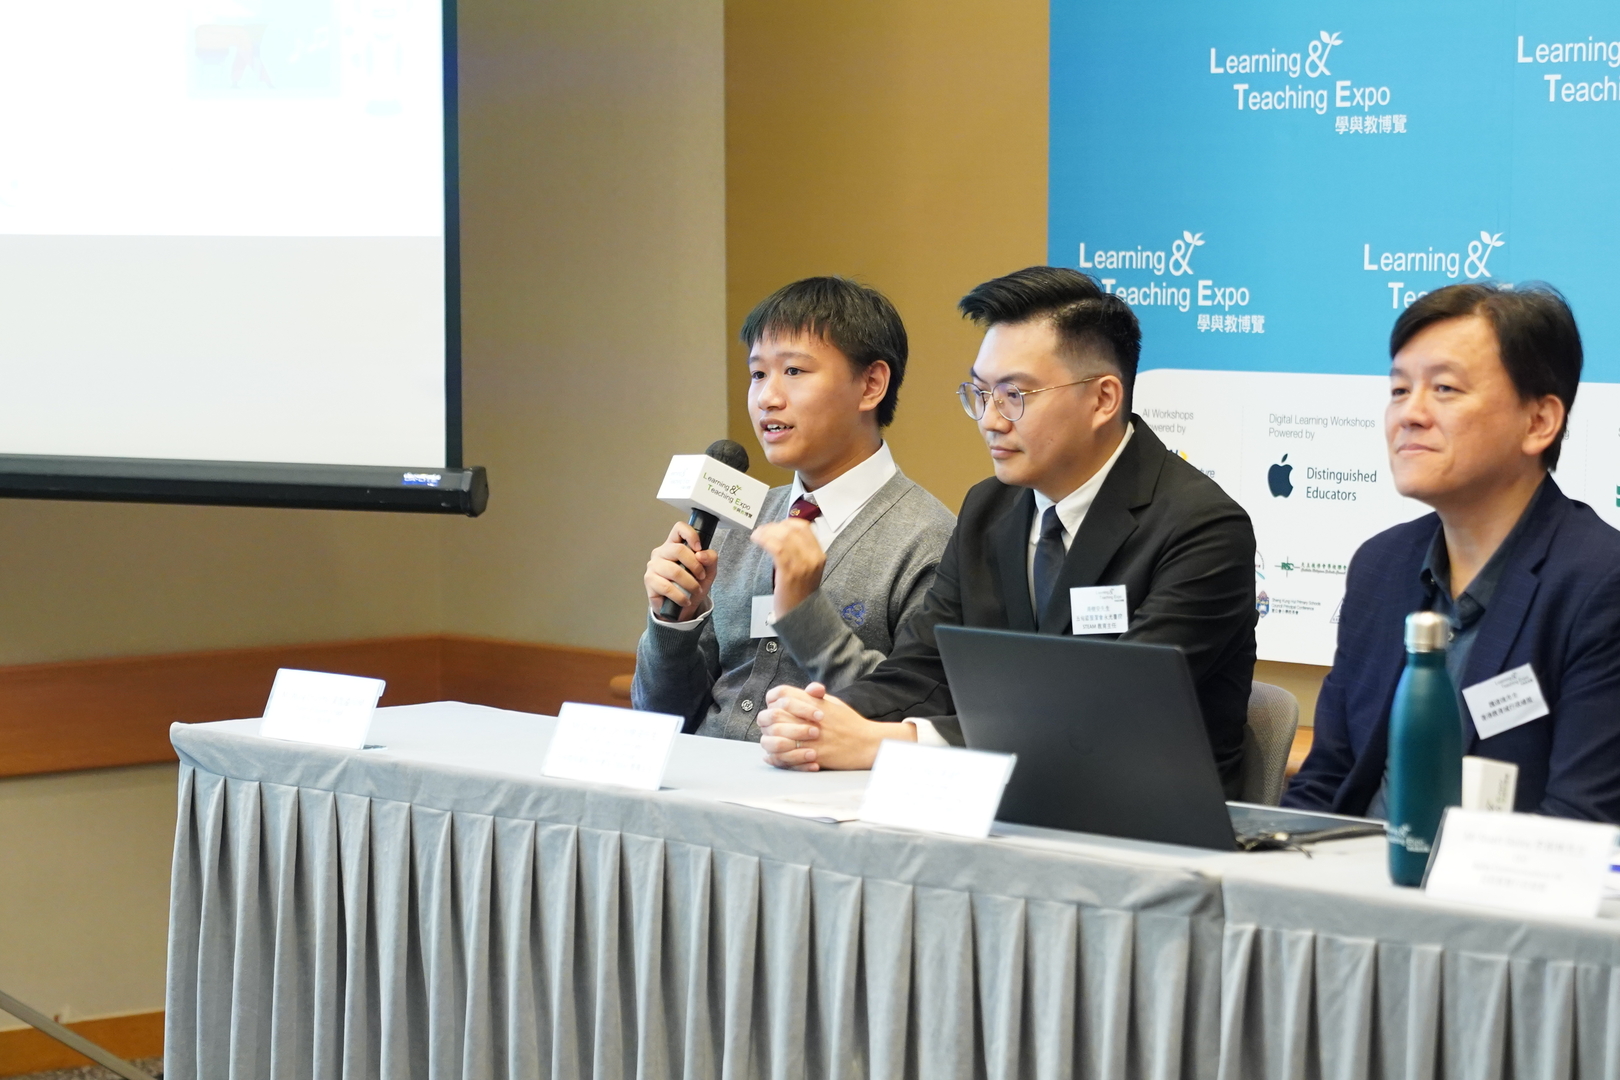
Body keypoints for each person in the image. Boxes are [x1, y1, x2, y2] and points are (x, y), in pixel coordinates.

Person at [757, 266, 1258, 793]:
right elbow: (924, 669)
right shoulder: (989, 508)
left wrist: (892, 742)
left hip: (1144, 815)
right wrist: (820, 720)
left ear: (1103, 399)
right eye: (981, 393)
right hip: (997, 805)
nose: (991, 420)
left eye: (1014, 395)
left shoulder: (1201, 527)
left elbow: (1110, 711)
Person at [1286, 283, 1620, 821]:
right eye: (1399, 390)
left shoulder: (1599, 582)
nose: (1410, 414)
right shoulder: (1380, 566)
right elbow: (1326, 779)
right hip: (1346, 865)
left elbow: (1581, 823)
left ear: (1539, 422)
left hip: (1501, 873)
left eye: (1444, 388)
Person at [633, 276, 955, 738]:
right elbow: (660, 717)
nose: (768, 398)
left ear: (871, 385)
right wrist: (674, 626)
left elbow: (913, 716)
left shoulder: (930, 540)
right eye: (758, 374)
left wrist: (805, 613)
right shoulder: (741, 519)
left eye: (794, 371)